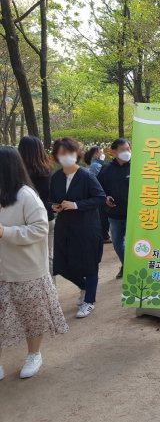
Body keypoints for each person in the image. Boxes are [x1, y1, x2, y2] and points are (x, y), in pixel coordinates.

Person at [0, 147, 68, 380]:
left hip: (25, 269)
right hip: (2, 268)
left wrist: (5, 232)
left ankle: (34, 354)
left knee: (32, 315)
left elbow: (40, 229)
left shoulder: (26, 196)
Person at [50, 137, 106, 318]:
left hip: (86, 226)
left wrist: (76, 205)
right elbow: (51, 198)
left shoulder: (86, 175)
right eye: (61, 153)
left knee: (89, 263)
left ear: (77, 154)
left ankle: (89, 300)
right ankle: (84, 287)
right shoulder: (56, 177)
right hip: (64, 227)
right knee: (61, 264)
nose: (66, 156)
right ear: (57, 156)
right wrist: (53, 206)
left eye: (69, 152)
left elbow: (99, 198)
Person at [17, 136, 56, 276]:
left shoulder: (18, 174)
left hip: (25, 222)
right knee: (48, 257)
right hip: (47, 218)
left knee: (27, 259)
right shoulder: (47, 170)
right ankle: (51, 292)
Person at [97, 139, 131, 279]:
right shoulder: (106, 170)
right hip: (115, 215)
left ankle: (134, 267)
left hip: (135, 214)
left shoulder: (138, 167)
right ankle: (127, 265)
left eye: (128, 149)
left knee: (137, 244)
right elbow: (98, 189)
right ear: (114, 152)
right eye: (122, 150)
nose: (127, 152)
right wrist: (105, 198)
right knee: (117, 243)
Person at [85, 146, 111, 244]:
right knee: (103, 215)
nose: (102, 154)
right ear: (95, 154)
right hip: (100, 192)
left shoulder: (95, 164)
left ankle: (104, 234)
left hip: (98, 192)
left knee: (102, 215)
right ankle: (104, 235)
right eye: (101, 152)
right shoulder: (96, 165)